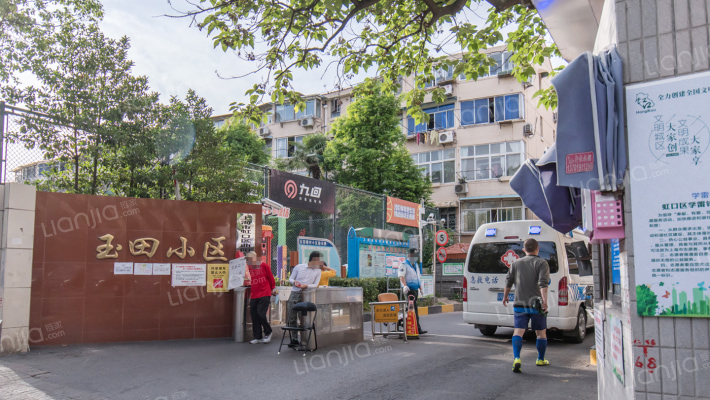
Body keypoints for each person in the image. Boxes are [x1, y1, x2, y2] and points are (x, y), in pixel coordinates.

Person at [502, 238, 551, 373]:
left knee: (518, 331)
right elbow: (543, 283)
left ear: (524, 250)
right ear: (538, 248)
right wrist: (545, 301)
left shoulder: (515, 263)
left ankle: (517, 358)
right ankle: (540, 359)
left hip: (519, 303)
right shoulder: (542, 263)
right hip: (536, 305)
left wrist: (505, 297)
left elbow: (508, 281)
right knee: (541, 333)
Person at [287, 251, 323, 335]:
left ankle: (304, 338)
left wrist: (306, 285)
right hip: (295, 293)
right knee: (292, 316)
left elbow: (315, 285)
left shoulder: (318, 271)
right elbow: (291, 279)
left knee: (304, 317)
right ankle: (294, 338)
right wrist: (294, 282)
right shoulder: (299, 267)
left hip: (307, 295)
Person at [246, 252, 276, 344]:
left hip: (265, 293)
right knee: (254, 315)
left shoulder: (264, 265)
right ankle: (257, 336)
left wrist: (273, 288)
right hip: (254, 294)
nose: (250, 261)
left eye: (251, 259)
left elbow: (270, 277)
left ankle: (268, 332)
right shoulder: (249, 267)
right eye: (248, 259)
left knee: (261, 314)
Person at [398, 259, 427, 335]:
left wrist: (420, 288)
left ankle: (415, 327)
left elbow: (417, 277)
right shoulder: (404, 264)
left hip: (415, 290)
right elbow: (401, 276)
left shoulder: (416, 265)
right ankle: (411, 328)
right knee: (411, 309)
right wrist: (405, 286)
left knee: (414, 309)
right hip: (409, 290)